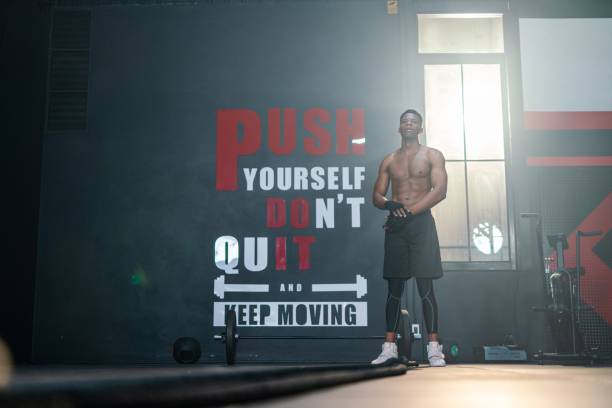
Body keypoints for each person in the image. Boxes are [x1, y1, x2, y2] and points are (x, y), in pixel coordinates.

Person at [370, 109, 448, 367]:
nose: (409, 124)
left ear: (421, 128)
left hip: (421, 224)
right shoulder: (389, 160)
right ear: (399, 128)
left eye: (414, 121)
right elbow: (377, 196)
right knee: (394, 289)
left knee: (426, 288)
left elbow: (440, 191)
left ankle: (434, 348)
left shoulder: (432, 155)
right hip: (397, 226)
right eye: (404, 121)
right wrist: (390, 205)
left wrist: (410, 212)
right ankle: (389, 348)